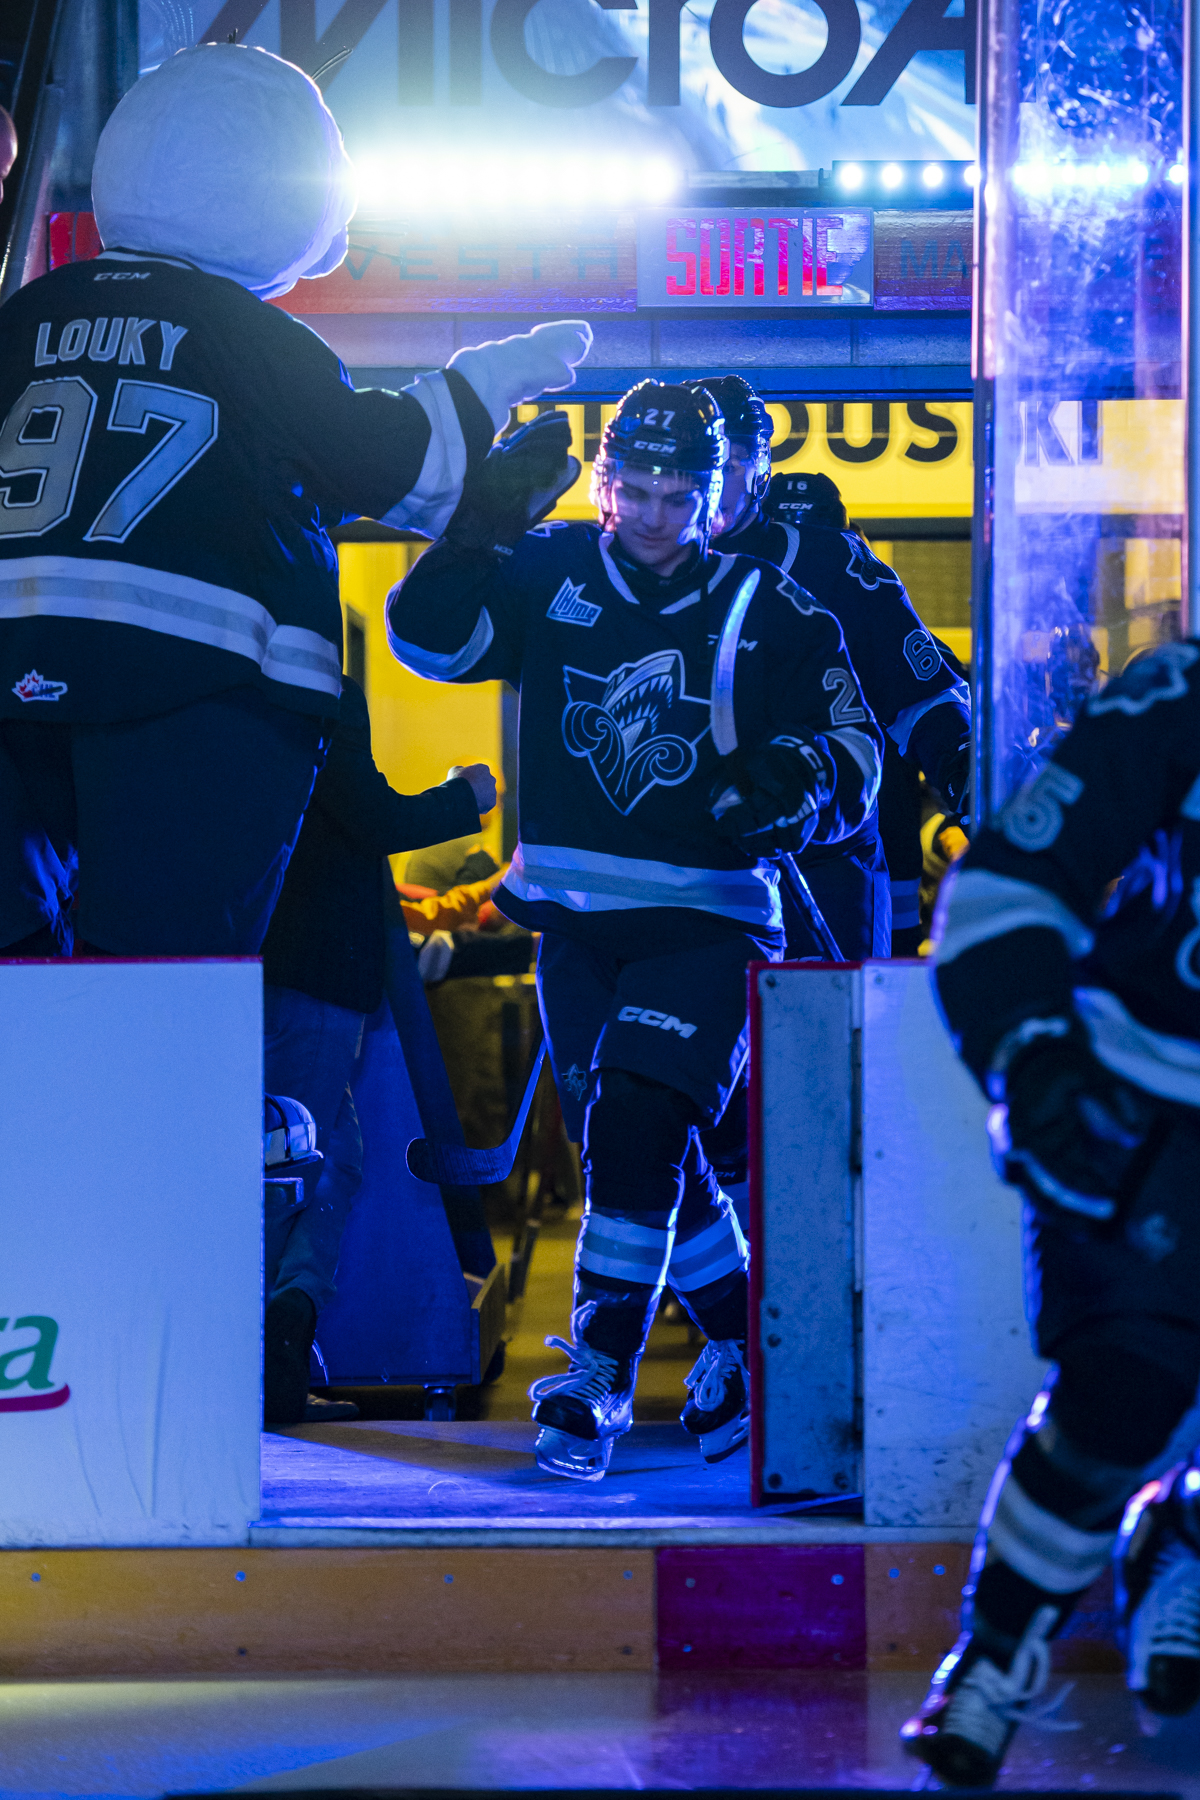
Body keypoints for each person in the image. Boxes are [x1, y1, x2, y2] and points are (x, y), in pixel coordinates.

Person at [385, 381, 882, 1480]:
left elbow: (858, 754)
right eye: (637, 492)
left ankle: (599, 1371)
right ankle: (753, 1345)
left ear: (717, 492)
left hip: (710, 921)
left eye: (680, 495)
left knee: (640, 1126)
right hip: (574, 924)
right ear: (606, 486)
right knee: (652, 1150)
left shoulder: (774, 607)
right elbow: (424, 642)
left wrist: (800, 780)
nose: (657, 518)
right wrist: (476, 530)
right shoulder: (549, 569)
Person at [0, 42, 589, 960]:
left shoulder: (26, 314)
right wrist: (483, 383)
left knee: (24, 964)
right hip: (202, 683)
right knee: (168, 972)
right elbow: (396, 467)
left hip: (12, 666)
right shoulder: (256, 336)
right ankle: (186, 1108)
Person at [903, 639, 1200, 1785]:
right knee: (1123, 1387)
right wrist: (1034, 1059)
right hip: (1153, 1102)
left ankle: (1182, 1533)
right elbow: (1005, 889)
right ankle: (996, 1654)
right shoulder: (1176, 696)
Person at [259, 671, 495, 1425]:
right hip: (317, 958)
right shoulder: (314, 680)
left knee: (331, 1150)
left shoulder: (215, 672)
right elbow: (367, 813)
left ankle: (285, 1335)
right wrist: (468, 796)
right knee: (299, 1153)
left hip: (254, 949)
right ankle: (271, 1348)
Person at [693, 373, 970, 958]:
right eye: (703, 462)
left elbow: (923, 693)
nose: (716, 483)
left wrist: (966, 769)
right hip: (689, 870)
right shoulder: (635, 570)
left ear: (762, 468)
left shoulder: (833, 562)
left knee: (824, 1040)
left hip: (823, 864)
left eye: (734, 460)